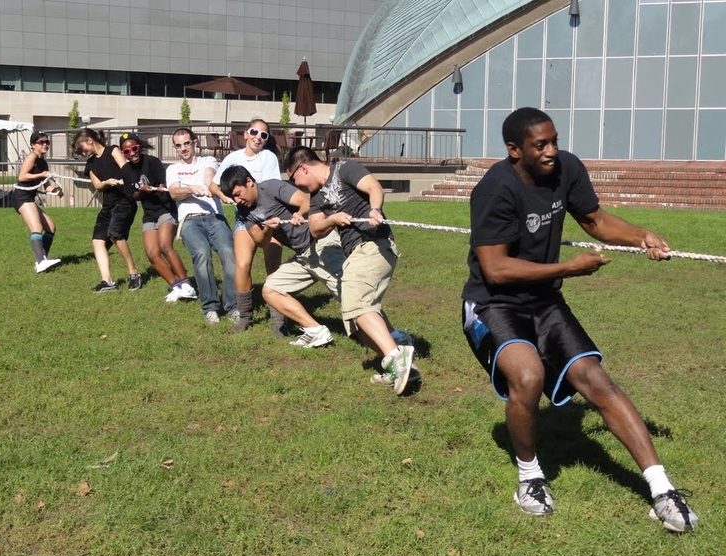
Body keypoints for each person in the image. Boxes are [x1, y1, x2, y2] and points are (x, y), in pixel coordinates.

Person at [461, 107, 698, 532]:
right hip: (493, 302)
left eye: (554, 140)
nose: (553, 150)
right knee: (528, 375)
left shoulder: (566, 168)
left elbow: (595, 220)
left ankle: (661, 489)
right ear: (515, 150)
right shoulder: (495, 189)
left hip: (544, 300)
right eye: (541, 145)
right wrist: (569, 268)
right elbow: (496, 269)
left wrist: (641, 234)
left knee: (596, 379)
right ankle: (530, 477)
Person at [283, 146, 416, 396]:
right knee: (354, 322)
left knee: (359, 307)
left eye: (293, 179)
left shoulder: (344, 169)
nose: (296, 186)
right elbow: (314, 229)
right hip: (354, 255)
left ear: (302, 168)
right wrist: (333, 219)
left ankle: (396, 356)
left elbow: (374, 188)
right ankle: (402, 364)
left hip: (374, 245)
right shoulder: (318, 197)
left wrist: (374, 209)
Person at [219, 165, 343, 348]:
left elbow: (305, 202)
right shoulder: (245, 211)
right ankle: (316, 330)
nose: (237, 200)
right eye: (232, 198)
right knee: (271, 289)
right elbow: (260, 240)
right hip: (303, 255)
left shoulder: (271, 187)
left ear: (249, 182)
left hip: (322, 243)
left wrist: (299, 214)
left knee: (348, 294)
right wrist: (269, 227)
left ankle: (386, 334)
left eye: (238, 194)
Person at [209, 118, 286, 335]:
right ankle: (245, 316)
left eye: (264, 135)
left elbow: (271, 188)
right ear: (245, 134)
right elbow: (213, 185)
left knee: (273, 269)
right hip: (244, 218)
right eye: (254, 132)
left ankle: (278, 319)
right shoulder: (232, 158)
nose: (258, 137)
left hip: (269, 218)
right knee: (242, 266)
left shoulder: (268, 157)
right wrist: (225, 196)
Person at [166, 128, 238, 325]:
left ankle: (232, 306)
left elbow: (209, 176)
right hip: (189, 220)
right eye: (179, 145)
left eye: (187, 143)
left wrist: (207, 185)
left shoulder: (208, 161)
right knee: (201, 254)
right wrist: (191, 189)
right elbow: (174, 193)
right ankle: (211, 307)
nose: (183, 148)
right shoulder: (172, 169)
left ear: (194, 142)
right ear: (175, 148)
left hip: (214, 217)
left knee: (229, 254)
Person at [119, 132, 197, 303]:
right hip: (149, 214)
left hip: (165, 209)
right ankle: (175, 286)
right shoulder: (126, 170)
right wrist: (142, 190)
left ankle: (187, 285)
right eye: (126, 152)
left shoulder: (152, 162)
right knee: (152, 253)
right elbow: (134, 196)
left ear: (139, 147)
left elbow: (165, 183)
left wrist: (159, 187)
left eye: (134, 148)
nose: (132, 153)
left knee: (164, 246)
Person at [72, 128, 142, 293]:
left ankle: (134, 273)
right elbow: (97, 186)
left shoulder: (113, 151)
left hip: (125, 201)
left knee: (115, 234)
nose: (83, 152)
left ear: (89, 140)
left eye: (82, 148)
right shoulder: (91, 163)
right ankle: (107, 281)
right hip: (108, 205)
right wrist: (107, 182)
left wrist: (124, 182)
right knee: (97, 240)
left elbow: (127, 169)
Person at [10, 131, 62, 273]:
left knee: (51, 227)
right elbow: (23, 176)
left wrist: (56, 190)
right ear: (33, 145)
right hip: (21, 197)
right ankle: (41, 262)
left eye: (47, 142)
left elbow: (47, 185)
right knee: (37, 227)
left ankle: (42, 259)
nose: (45, 144)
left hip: (29, 197)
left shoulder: (43, 162)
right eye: (41, 142)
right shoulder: (32, 156)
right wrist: (41, 174)